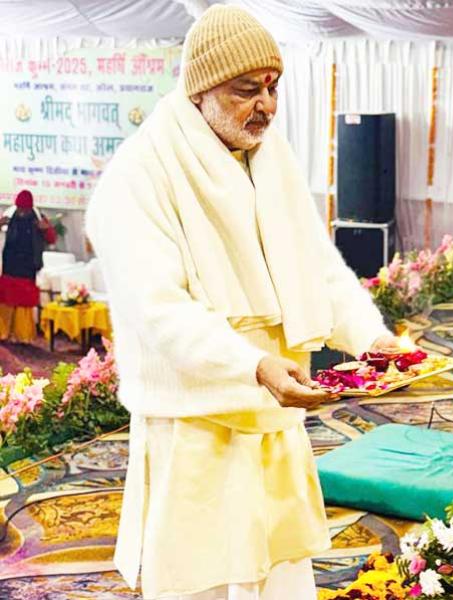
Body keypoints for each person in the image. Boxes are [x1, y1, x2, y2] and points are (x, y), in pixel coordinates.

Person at [85, 6, 401, 600]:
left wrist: (370, 337)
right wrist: (251, 366)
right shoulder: (139, 176)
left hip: (272, 409)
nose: (267, 105)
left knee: (279, 571)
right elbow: (160, 310)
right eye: (246, 90)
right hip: (194, 416)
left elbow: (316, 268)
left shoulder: (269, 157)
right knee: (195, 578)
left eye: (273, 87)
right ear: (200, 89)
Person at [0, 189, 55, 343]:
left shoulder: (39, 218)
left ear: (30, 207)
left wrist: (46, 230)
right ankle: (3, 333)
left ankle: (23, 335)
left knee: (24, 300)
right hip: (10, 264)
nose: (22, 211)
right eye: (20, 208)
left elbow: (51, 239)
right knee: (6, 299)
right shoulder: (9, 216)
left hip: (28, 265)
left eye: (24, 209)